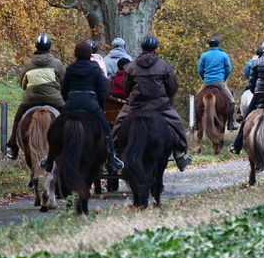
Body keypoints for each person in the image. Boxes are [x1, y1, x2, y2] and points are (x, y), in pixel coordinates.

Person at [112, 35, 192, 171]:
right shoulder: (164, 66)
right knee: (177, 124)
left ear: (142, 48)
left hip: (136, 105)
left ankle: (114, 151)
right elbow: (172, 87)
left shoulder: (130, 67)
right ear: (155, 49)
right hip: (160, 106)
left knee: (118, 124)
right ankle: (179, 154)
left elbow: (126, 88)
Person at [43, 42, 123, 174]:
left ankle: (50, 159)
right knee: (107, 132)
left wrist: (68, 102)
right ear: (89, 55)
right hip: (91, 104)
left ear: (76, 54)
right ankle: (111, 161)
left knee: (55, 128)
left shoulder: (69, 69)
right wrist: (100, 107)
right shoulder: (95, 70)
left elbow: (64, 90)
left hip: (72, 103)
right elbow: (101, 91)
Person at [6, 34, 65, 160]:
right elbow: (63, 83)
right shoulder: (57, 64)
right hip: (54, 100)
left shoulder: (28, 64)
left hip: (31, 100)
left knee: (18, 118)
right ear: (50, 47)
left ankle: (13, 147)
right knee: (67, 117)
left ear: (36, 47)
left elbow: (23, 84)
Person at [197, 36, 238, 130]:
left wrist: (205, 78)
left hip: (206, 82)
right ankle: (230, 123)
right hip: (220, 82)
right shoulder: (223, 55)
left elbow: (200, 69)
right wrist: (223, 79)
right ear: (218, 44)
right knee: (231, 101)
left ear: (209, 45)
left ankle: (197, 123)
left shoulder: (204, 55)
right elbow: (228, 69)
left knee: (197, 101)